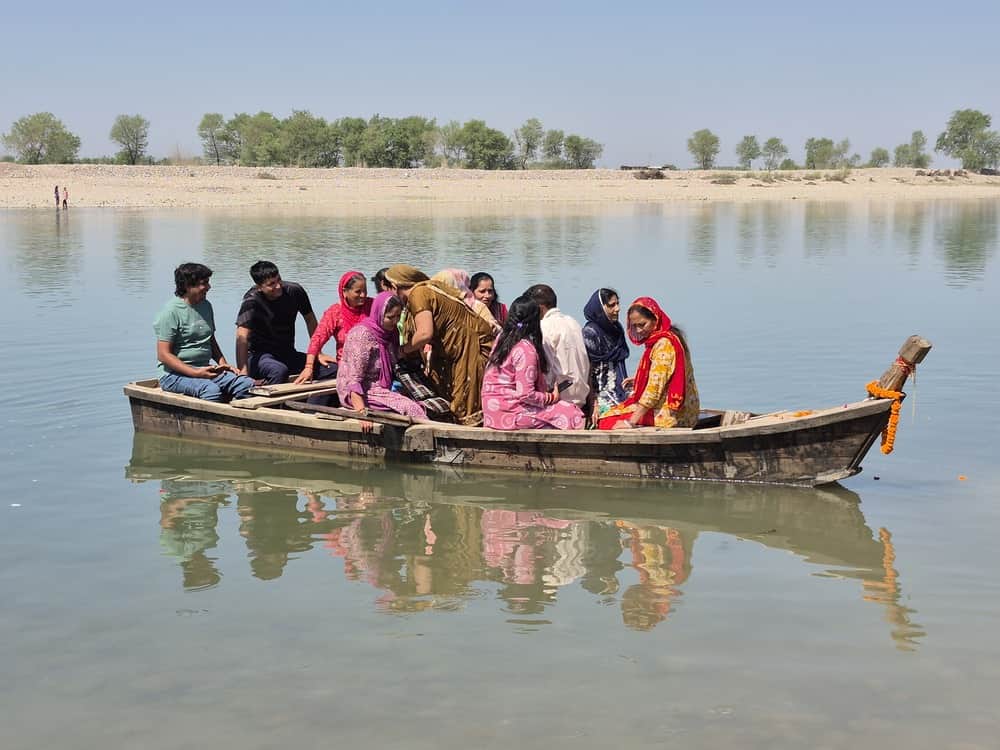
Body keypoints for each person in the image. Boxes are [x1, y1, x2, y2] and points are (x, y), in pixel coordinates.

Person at [385, 264, 494, 423]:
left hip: (470, 344)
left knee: (466, 399)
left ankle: (468, 432)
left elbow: (424, 333)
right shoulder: (427, 289)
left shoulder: (418, 293)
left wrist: (401, 350)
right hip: (460, 346)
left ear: (394, 287)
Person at [153, 262, 254, 401]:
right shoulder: (170, 312)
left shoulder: (206, 306)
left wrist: (223, 364)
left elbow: (210, 340)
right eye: (204, 283)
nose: (208, 287)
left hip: (204, 369)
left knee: (246, 384)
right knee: (210, 390)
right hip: (173, 375)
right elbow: (163, 354)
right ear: (188, 286)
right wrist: (195, 372)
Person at [481, 296, 585, 430]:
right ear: (535, 320)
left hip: (491, 411)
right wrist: (550, 397)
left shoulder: (501, 339)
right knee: (571, 413)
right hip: (509, 413)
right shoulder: (525, 349)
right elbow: (525, 394)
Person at [597, 297, 700, 430]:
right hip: (687, 409)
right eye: (634, 326)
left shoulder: (664, 345)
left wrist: (630, 422)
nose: (639, 330)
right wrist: (639, 380)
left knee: (604, 421)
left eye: (642, 324)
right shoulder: (669, 337)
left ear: (655, 319)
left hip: (672, 414)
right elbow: (666, 375)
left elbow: (653, 390)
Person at [235, 260, 334, 386]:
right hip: (258, 356)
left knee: (333, 368)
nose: (278, 286)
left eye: (279, 280)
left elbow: (310, 320)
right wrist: (243, 372)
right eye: (271, 284)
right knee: (279, 371)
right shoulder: (252, 301)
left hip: (287, 353)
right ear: (259, 287)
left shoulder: (295, 291)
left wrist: (318, 352)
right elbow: (241, 337)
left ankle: (312, 401)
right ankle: (269, 401)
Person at [337, 291, 428, 420]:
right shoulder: (361, 336)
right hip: (361, 391)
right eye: (390, 317)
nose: (395, 321)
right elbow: (354, 379)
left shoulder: (390, 333)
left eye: (398, 316)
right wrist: (362, 413)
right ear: (378, 314)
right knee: (410, 408)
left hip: (381, 386)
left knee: (423, 401)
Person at [295, 270, 372, 385]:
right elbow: (318, 338)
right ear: (345, 292)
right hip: (347, 366)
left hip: (373, 365)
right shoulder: (335, 312)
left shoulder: (374, 307)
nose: (363, 295)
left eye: (365, 291)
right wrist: (309, 366)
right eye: (358, 292)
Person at [523, 284, 591, 409]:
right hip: (581, 396)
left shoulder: (544, 326)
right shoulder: (573, 322)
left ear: (540, 308)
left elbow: (548, 371)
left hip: (560, 399)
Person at [582, 288, 630, 421]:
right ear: (600, 308)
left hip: (621, 387)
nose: (618, 309)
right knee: (617, 416)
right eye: (612, 305)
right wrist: (593, 403)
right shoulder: (590, 333)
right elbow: (588, 371)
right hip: (601, 392)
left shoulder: (616, 328)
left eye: (618, 304)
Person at [431, 268, 499, 332]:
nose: (487, 295)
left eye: (490, 291)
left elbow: (494, 327)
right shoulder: (434, 305)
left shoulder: (477, 307)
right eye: (482, 291)